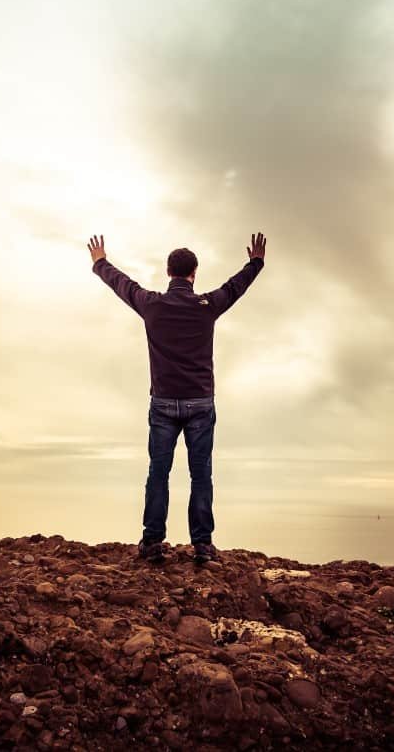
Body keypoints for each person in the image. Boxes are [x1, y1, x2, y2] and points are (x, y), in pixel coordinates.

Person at [88, 232, 267, 565]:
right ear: (194, 273)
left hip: (163, 404)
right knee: (201, 475)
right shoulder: (207, 306)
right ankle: (202, 547)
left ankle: (152, 544)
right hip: (200, 403)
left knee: (159, 472)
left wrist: (100, 263)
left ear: (168, 272)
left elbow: (122, 284)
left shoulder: (152, 305)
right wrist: (255, 262)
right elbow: (234, 287)